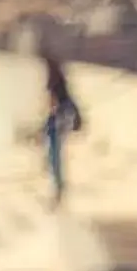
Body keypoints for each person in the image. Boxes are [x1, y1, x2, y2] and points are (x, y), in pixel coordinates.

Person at [40, 55, 85, 209]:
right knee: (53, 149)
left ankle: (58, 186)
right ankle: (53, 173)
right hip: (64, 115)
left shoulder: (54, 82)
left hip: (62, 116)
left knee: (55, 152)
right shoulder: (58, 81)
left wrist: (50, 121)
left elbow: (54, 105)